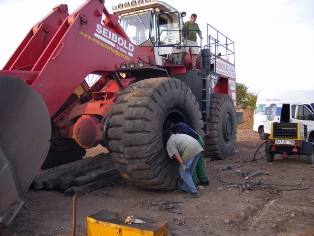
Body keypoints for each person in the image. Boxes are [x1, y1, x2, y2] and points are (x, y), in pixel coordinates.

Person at [166, 131, 204, 198]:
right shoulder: (177, 135)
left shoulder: (170, 142)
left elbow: (176, 154)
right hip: (198, 147)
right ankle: (185, 188)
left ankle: (194, 192)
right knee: (189, 171)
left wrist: (182, 163)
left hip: (190, 150)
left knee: (183, 171)